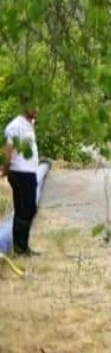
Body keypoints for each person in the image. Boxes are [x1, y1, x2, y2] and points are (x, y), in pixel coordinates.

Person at [3, 106, 40, 256]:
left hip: (29, 172)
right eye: (34, 107)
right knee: (25, 209)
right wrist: (5, 169)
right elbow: (8, 149)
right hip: (19, 172)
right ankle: (20, 248)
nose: (37, 110)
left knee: (29, 209)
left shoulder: (30, 124)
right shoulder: (14, 126)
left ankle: (23, 246)